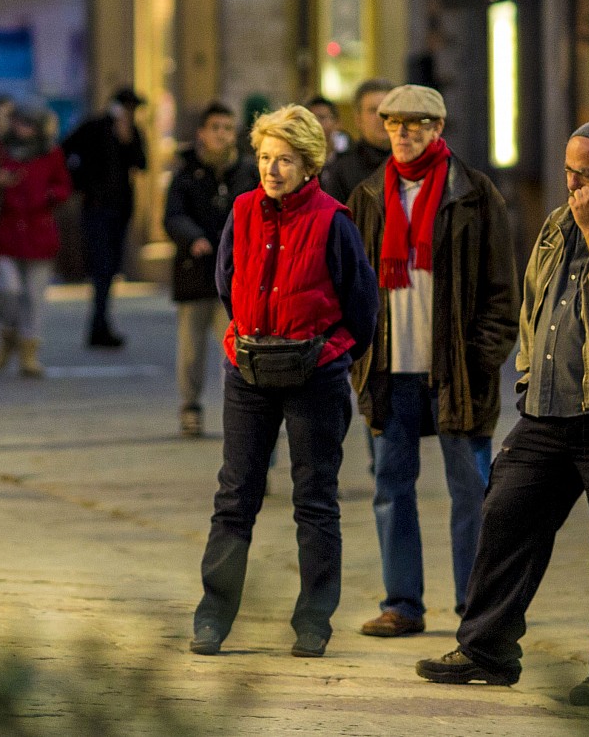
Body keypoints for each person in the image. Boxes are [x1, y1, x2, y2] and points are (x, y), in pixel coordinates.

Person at [416, 119, 589, 706]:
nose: (574, 184)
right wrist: (527, 372)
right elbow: (534, 300)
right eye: (568, 172)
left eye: (587, 173)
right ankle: (487, 648)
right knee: (504, 514)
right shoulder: (556, 224)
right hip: (546, 409)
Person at [191, 104, 378, 659]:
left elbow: (361, 306)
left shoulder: (333, 220)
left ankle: (314, 620)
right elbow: (227, 280)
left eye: (286, 160)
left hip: (313, 375)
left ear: (310, 163)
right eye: (266, 159)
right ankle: (213, 617)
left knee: (315, 499)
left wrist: (331, 353)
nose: (273, 171)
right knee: (235, 496)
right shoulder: (244, 211)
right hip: (249, 370)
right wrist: (248, 334)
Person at [345, 84, 517, 641]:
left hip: (457, 372)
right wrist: (356, 356)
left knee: (472, 490)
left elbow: (502, 291)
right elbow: (348, 286)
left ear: (439, 129)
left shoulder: (474, 193)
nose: (404, 132)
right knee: (391, 487)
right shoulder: (368, 197)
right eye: (394, 123)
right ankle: (402, 603)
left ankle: (475, 605)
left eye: (417, 123)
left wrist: (483, 357)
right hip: (388, 369)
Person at [165, 101, 255, 438]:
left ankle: (237, 409)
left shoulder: (247, 171)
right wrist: (193, 238)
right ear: (202, 133)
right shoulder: (186, 173)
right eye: (215, 127)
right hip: (196, 272)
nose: (221, 134)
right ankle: (190, 406)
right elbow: (172, 216)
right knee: (190, 348)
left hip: (234, 275)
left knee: (232, 346)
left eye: (227, 128)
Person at [0, 105, 73, 379]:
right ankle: (8, 333)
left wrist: (50, 195)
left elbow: (64, 186)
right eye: (19, 123)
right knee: (7, 289)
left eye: (28, 124)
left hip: (39, 232)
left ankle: (29, 351)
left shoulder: (50, 153)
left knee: (34, 297)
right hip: (6, 231)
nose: (22, 129)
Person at [63, 87, 150, 348]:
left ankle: (100, 324)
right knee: (102, 267)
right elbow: (66, 150)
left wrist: (127, 140)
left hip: (120, 209)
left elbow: (142, 164)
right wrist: (82, 183)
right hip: (96, 207)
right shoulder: (95, 127)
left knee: (110, 268)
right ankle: (98, 326)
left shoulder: (132, 132)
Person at [319, 79, 394, 205]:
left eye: (388, 110)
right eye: (373, 110)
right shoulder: (341, 169)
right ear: (358, 119)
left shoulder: (411, 163)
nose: (382, 117)